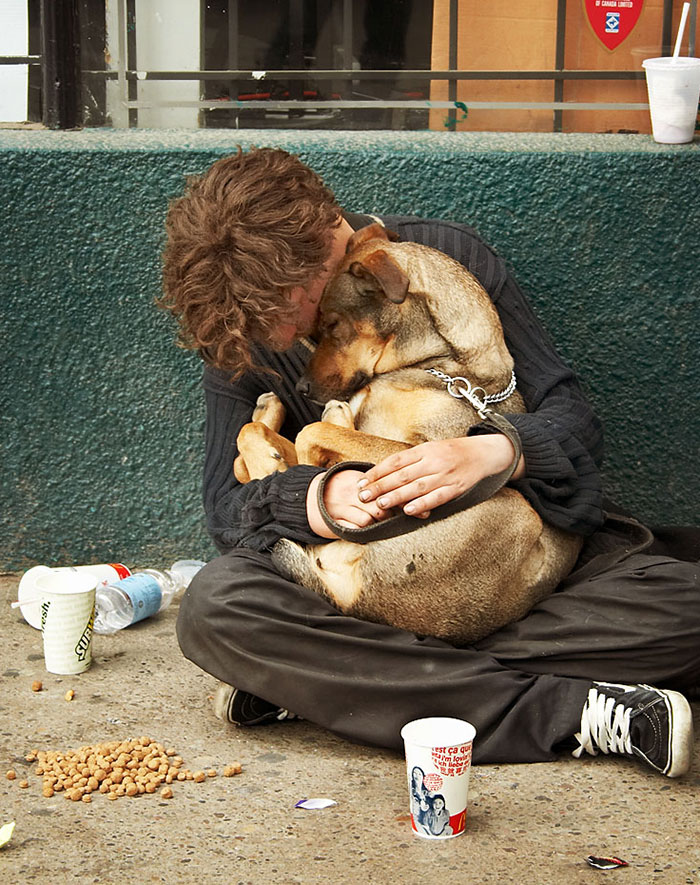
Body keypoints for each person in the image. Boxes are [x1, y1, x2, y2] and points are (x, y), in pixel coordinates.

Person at [160, 146, 700, 778]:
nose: (274, 339)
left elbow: (573, 418)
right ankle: (576, 714)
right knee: (216, 607)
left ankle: (336, 683)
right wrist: (313, 501)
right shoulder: (244, 324)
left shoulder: (443, 263)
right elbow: (227, 512)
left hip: (507, 552)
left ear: (326, 251)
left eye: (286, 311)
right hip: (360, 578)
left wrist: (499, 449)